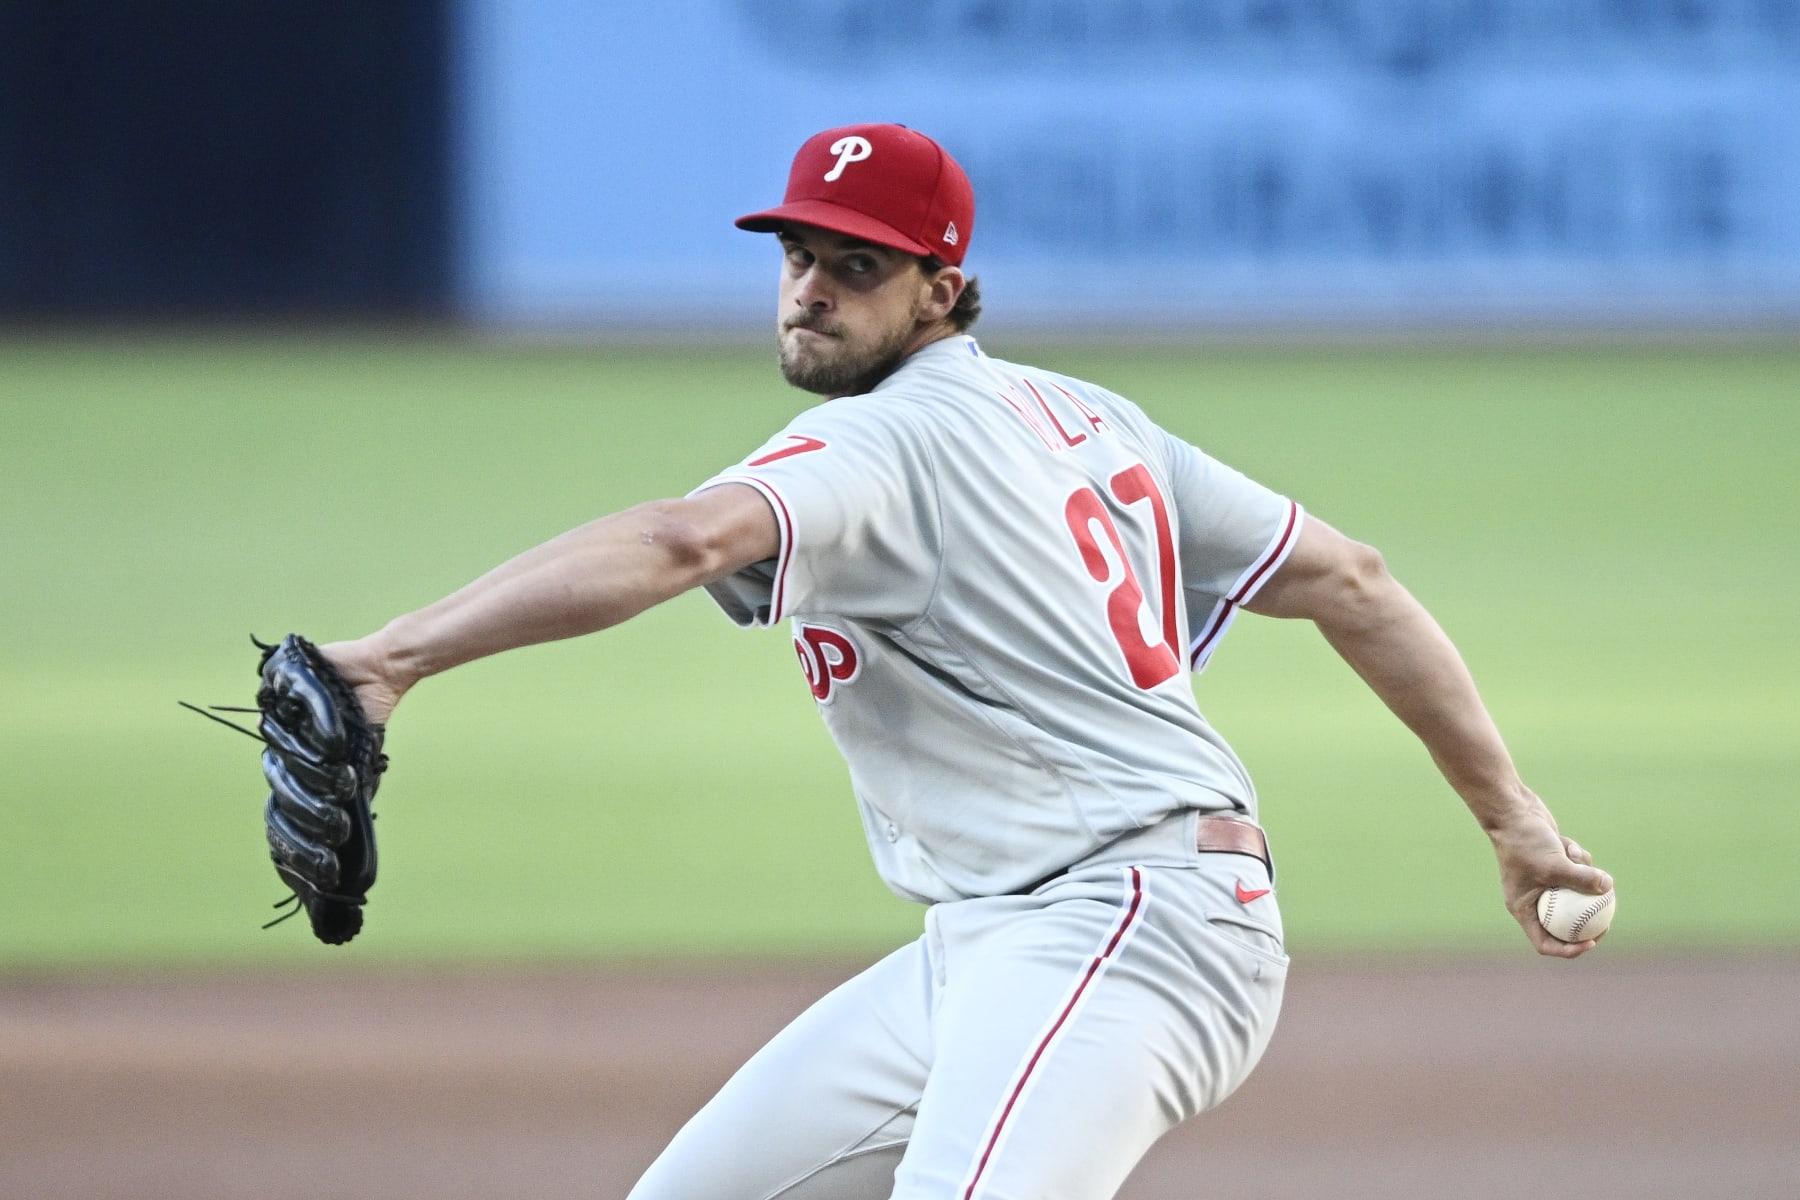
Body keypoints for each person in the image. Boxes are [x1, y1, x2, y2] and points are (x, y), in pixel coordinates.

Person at [319, 124, 1612, 1199]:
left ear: (942, 288)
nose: (811, 285)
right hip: (990, 943)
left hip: (1124, 921)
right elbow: (1354, 580)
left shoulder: (891, 445)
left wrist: (395, 658)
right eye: (797, 253)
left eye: (858, 265)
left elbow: (675, 540)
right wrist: (1516, 819)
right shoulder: (1089, 419)